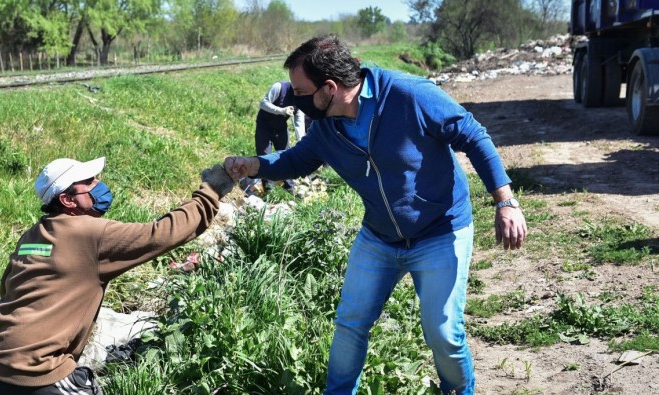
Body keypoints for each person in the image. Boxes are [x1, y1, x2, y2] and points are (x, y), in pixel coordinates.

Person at [223, 35, 527, 395]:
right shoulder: (327, 126)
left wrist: (505, 201)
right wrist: (253, 165)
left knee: (443, 331)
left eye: (301, 92)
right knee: (350, 323)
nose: (296, 100)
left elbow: (473, 135)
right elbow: (297, 160)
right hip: (379, 238)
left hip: (440, 231)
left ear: (330, 89)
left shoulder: (408, 95)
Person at [0, 156, 234, 394]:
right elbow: (164, 233)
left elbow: (7, 289)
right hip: (32, 375)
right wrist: (210, 191)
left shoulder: (32, 236)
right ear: (67, 199)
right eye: (89, 181)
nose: (99, 184)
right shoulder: (91, 234)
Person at [250, 80, 307, 195]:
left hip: (280, 128)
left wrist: (302, 141)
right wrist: (282, 111)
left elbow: (299, 120)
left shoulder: (302, 97)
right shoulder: (279, 87)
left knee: (286, 155)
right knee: (264, 157)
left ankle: (290, 188)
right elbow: (264, 103)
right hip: (264, 127)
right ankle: (268, 189)